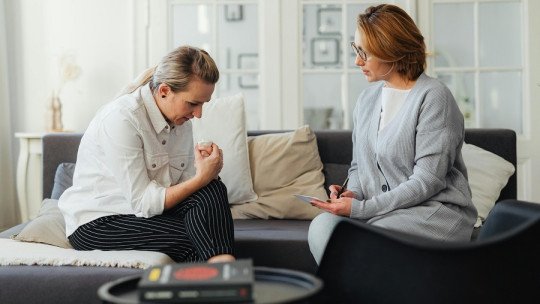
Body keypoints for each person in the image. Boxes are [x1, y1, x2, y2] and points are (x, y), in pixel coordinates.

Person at [308, 4, 477, 264]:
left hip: (431, 213)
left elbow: (427, 181)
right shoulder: (366, 100)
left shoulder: (433, 97)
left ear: (392, 51)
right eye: (356, 50)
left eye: (365, 52)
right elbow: (358, 167)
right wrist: (351, 193)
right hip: (384, 214)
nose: (357, 61)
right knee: (322, 227)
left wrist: (361, 209)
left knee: (368, 238)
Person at [58, 45, 235, 263]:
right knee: (195, 238)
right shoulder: (122, 119)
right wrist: (201, 178)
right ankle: (226, 280)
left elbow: (188, 188)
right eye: (193, 103)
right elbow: (143, 202)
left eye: (203, 104)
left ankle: (224, 273)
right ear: (164, 91)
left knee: (213, 188)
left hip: (145, 214)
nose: (198, 114)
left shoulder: (181, 121)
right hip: (99, 220)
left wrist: (206, 169)